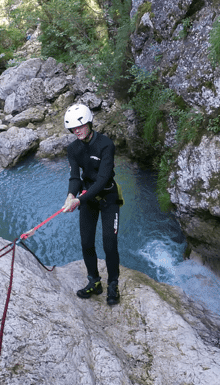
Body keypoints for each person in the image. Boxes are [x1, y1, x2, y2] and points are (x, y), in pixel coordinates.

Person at [62, 103, 122, 306]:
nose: (77, 131)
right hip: (87, 199)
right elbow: (75, 177)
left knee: (109, 244)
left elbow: (103, 179)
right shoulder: (73, 149)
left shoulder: (106, 144)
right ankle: (94, 282)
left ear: (89, 123)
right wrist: (71, 194)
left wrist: (79, 199)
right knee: (86, 243)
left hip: (108, 197)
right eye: (73, 128)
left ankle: (113, 284)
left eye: (80, 126)